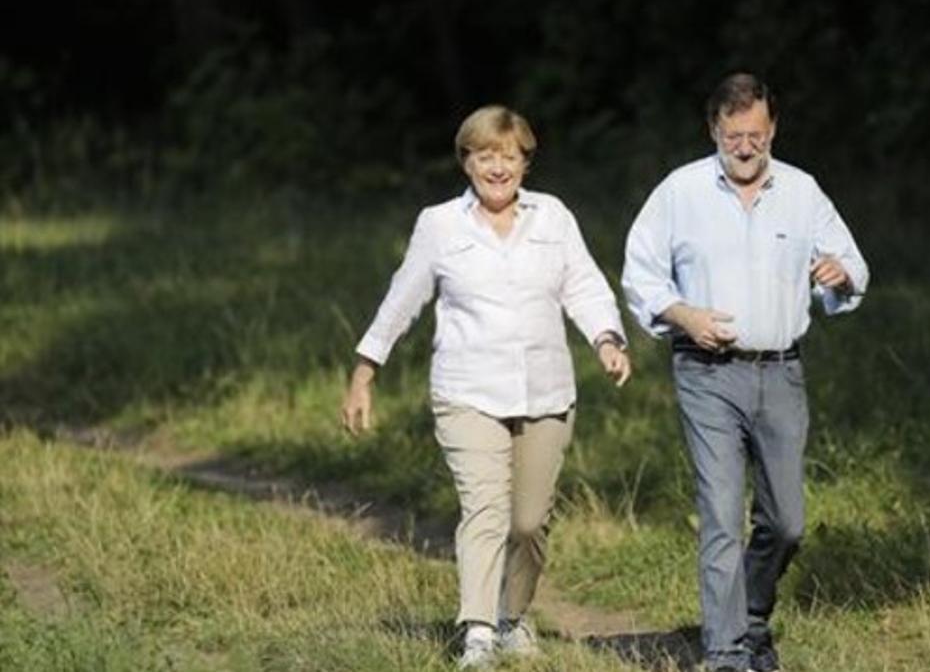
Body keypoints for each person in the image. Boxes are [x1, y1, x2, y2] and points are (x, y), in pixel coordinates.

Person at [341, 105, 631, 669]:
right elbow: (402, 300)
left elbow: (586, 286)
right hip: (467, 390)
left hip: (546, 391)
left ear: (525, 161)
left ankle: (513, 616)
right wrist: (364, 371)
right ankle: (477, 631)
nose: (497, 167)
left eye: (508, 155)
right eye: (484, 155)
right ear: (466, 162)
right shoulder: (440, 225)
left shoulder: (553, 218)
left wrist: (606, 339)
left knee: (529, 522)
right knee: (486, 511)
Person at [621, 73, 868, 672]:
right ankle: (726, 652)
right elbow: (639, 274)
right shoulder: (680, 192)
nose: (745, 146)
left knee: (786, 523)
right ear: (714, 130)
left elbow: (855, 265)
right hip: (706, 372)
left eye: (756, 134)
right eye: (734, 135)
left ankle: (751, 617)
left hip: (781, 373)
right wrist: (683, 314)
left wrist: (839, 273)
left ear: (773, 128)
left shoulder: (804, 192)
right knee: (722, 514)